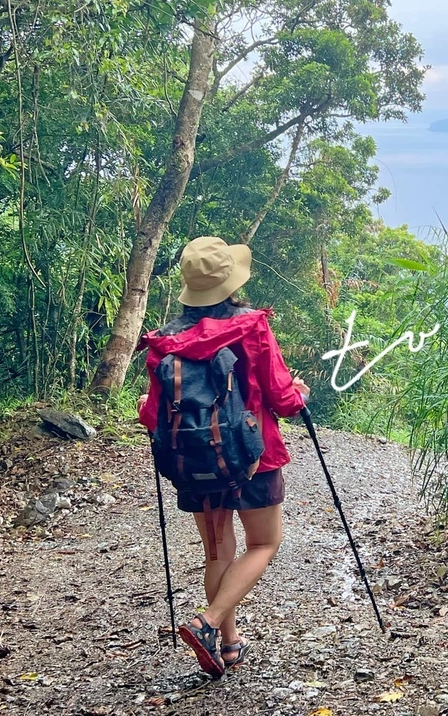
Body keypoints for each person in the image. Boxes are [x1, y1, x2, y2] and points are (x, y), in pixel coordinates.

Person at [137, 237, 309, 678]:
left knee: (218, 552)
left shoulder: (167, 339)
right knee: (265, 543)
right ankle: (209, 623)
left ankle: (228, 646)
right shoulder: (250, 326)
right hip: (254, 455)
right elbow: (281, 397)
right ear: (231, 282)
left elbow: (155, 413)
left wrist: (142, 406)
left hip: (195, 460)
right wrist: (299, 396)